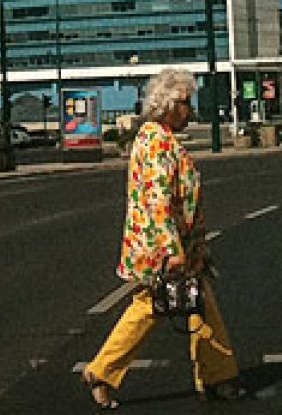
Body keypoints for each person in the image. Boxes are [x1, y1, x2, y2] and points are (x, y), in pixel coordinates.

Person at [83, 68, 244, 408]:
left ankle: (217, 376)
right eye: (185, 102)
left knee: (200, 305)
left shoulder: (159, 138)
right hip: (162, 249)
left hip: (180, 245)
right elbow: (158, 199)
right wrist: (172, 250)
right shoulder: (156, 141)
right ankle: (101, 370)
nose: (190, 110)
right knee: (148, 309)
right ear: (168, 105)